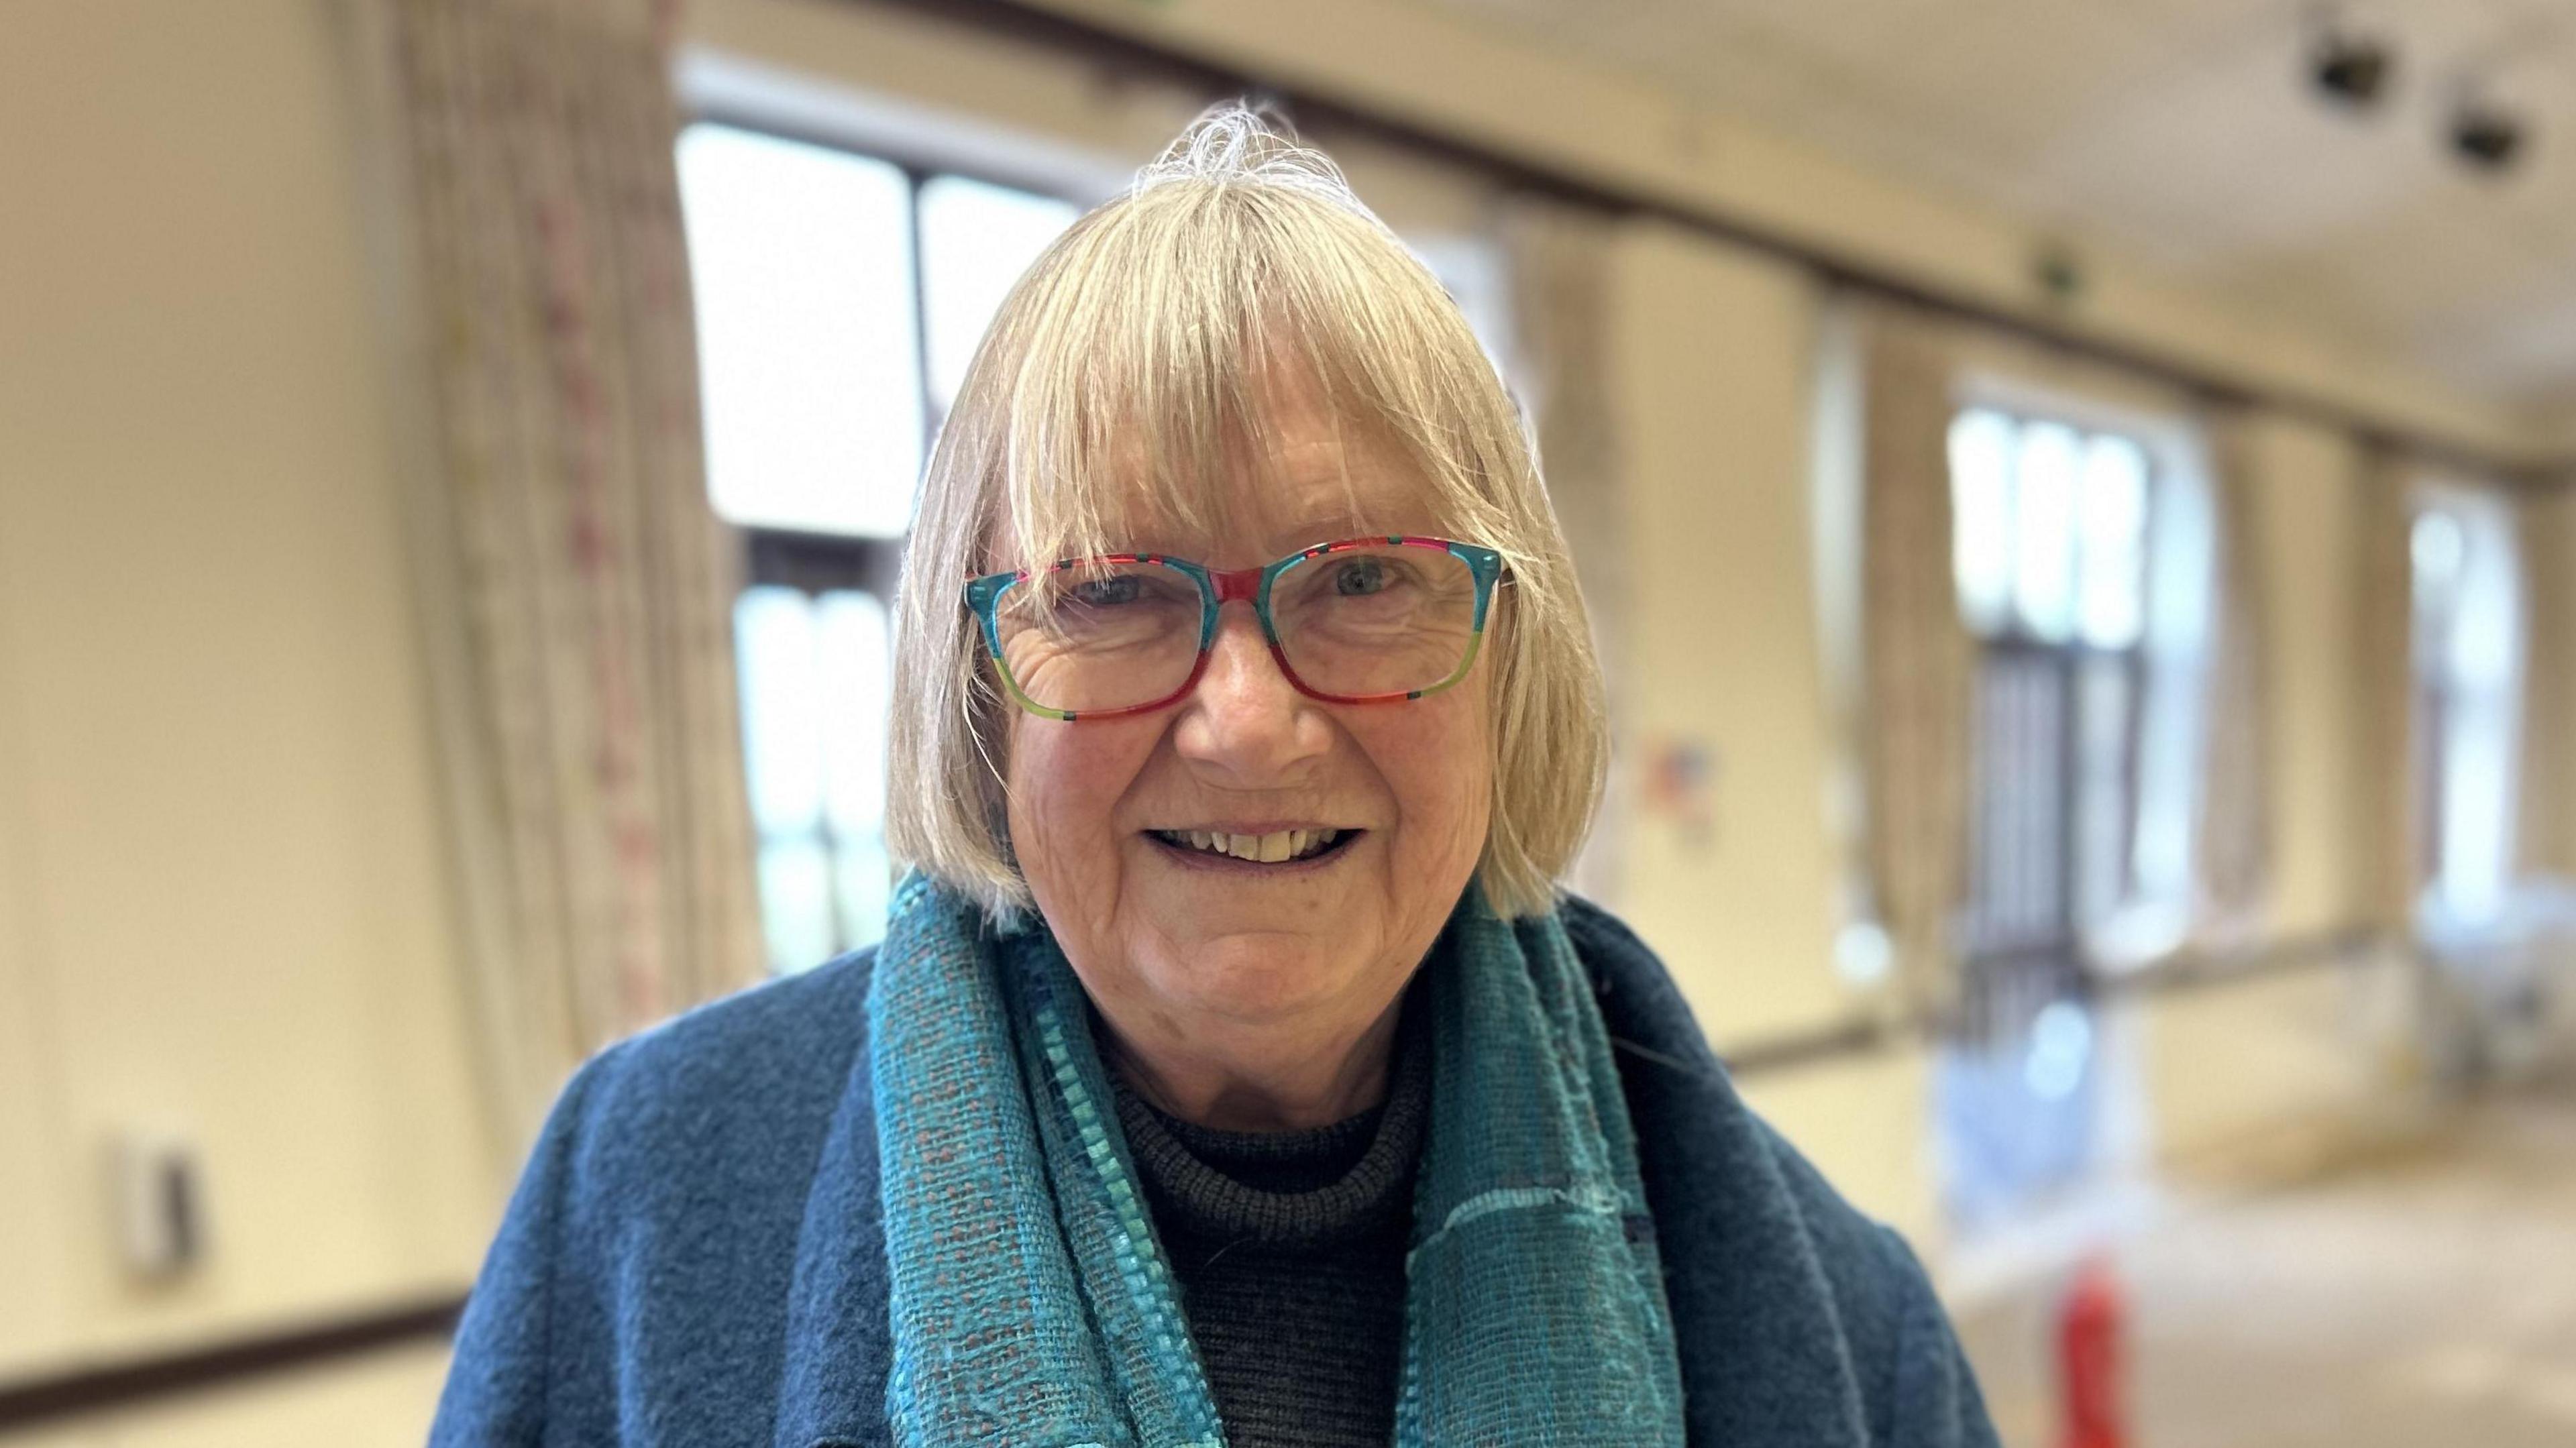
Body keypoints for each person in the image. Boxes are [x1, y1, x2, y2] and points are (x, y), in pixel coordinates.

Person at [431, 104, 1999, 1448]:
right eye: (1110, 590)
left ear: (1510, 657)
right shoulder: (633, 1205)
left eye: (1368, 578)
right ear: (974, 687)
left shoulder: (1854, 1336)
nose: (1247, 725)